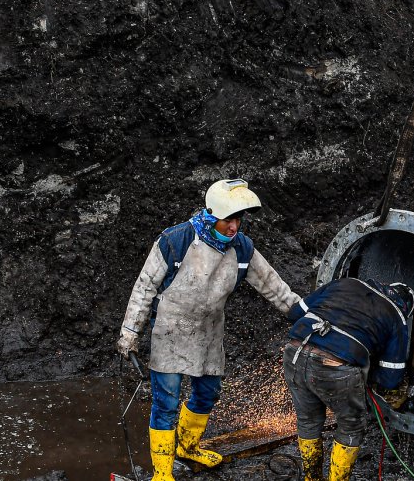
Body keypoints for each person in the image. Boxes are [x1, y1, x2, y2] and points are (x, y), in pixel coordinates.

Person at [116, 178, 303, 481]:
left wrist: (303, 315)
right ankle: (162, 474)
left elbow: (272, 285)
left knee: (208, 392)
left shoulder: (241, 249)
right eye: (228, 219)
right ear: (212, 214)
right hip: (171, 330)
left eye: (238, 220)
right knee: (166, 403)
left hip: (209, 330)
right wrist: (129, 334)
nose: (234, 227)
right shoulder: (175, 241)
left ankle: (187, 447)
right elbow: (144, 288)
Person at [282, 277, 414, 481]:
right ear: (405, 307)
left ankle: (311, 478)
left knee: (308, 420)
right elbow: (390, 379)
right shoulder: (397, 316)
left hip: (294, 352)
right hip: (336, 366)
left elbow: (293, 313)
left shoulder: (346, 283)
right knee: (351, 426)